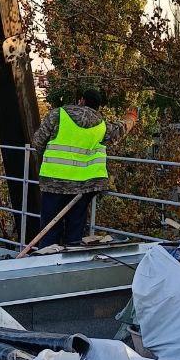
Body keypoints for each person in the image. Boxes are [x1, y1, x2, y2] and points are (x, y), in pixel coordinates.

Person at [31, 89, 133, 248]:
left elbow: (38, 141)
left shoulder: (58, 115)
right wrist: (131, 119)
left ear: (81, 100)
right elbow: (118, 131)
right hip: (83, 187)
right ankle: (71, 263)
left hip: (54, 182)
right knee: (75, 231)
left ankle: (47, 263)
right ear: (98, 106)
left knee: (49, 228)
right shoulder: (100, 125)